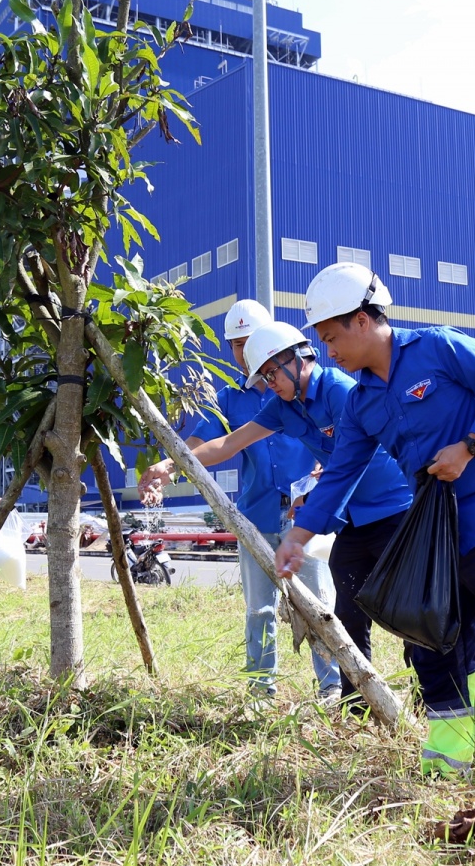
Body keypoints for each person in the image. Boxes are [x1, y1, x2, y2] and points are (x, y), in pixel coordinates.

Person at [275, 262, 475, 803]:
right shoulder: (360, 403)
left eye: (331, 338)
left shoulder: (438, 348)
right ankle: (450, 764)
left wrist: (471, 445)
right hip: (434, 535)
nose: (328, 353)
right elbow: (340, 476)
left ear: (361, 320)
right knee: (438, 646)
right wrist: (298, 537)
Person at [142, 318, 414, 712]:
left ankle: (430, 690)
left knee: (408, 606)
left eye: (273, 373)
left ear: (300, 357)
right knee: (347, 612)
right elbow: (228, 443)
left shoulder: (339, 391)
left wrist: (318, 491)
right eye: (264, 377)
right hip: (351, 518)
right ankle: (357, 704)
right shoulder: (284, 405)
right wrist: (171, 464)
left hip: (394, 508)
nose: (271, 383)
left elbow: (358, 454)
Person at [143, 300, 340, 700]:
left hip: (307, 513)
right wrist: (170, 464)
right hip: (256, 514)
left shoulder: (316, 389)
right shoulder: (231, 398)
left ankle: (331, 686)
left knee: (319, 604)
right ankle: (260, 690)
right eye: (236, 343)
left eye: (251, 340)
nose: (245, 350)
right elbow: (211, 444)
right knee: (259, 608)